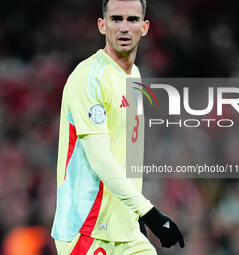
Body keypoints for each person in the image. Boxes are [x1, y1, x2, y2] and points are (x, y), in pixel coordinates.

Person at [51, 0, 185, 254]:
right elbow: (100, 159)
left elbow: (128, 155)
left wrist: (134, 218)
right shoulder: (89, 78)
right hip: (87, 230)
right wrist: (149, 213)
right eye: (116, 19)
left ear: (144, 27)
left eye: (132, 20)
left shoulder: (134, 77)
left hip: (126, 231)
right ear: (102, 25)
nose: (124, 27)